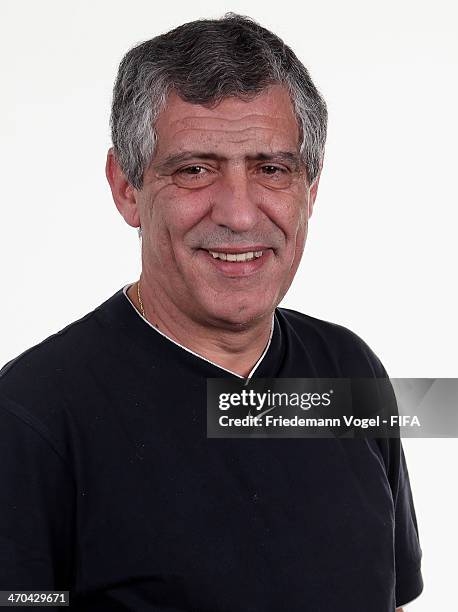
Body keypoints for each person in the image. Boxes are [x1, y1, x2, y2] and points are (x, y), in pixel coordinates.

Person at [0, 13, 422, 611]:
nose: (241, 214)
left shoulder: (349, 372)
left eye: (272, 169)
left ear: (312, 190)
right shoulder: (31, 420)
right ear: (126, 187)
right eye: (194, 169)